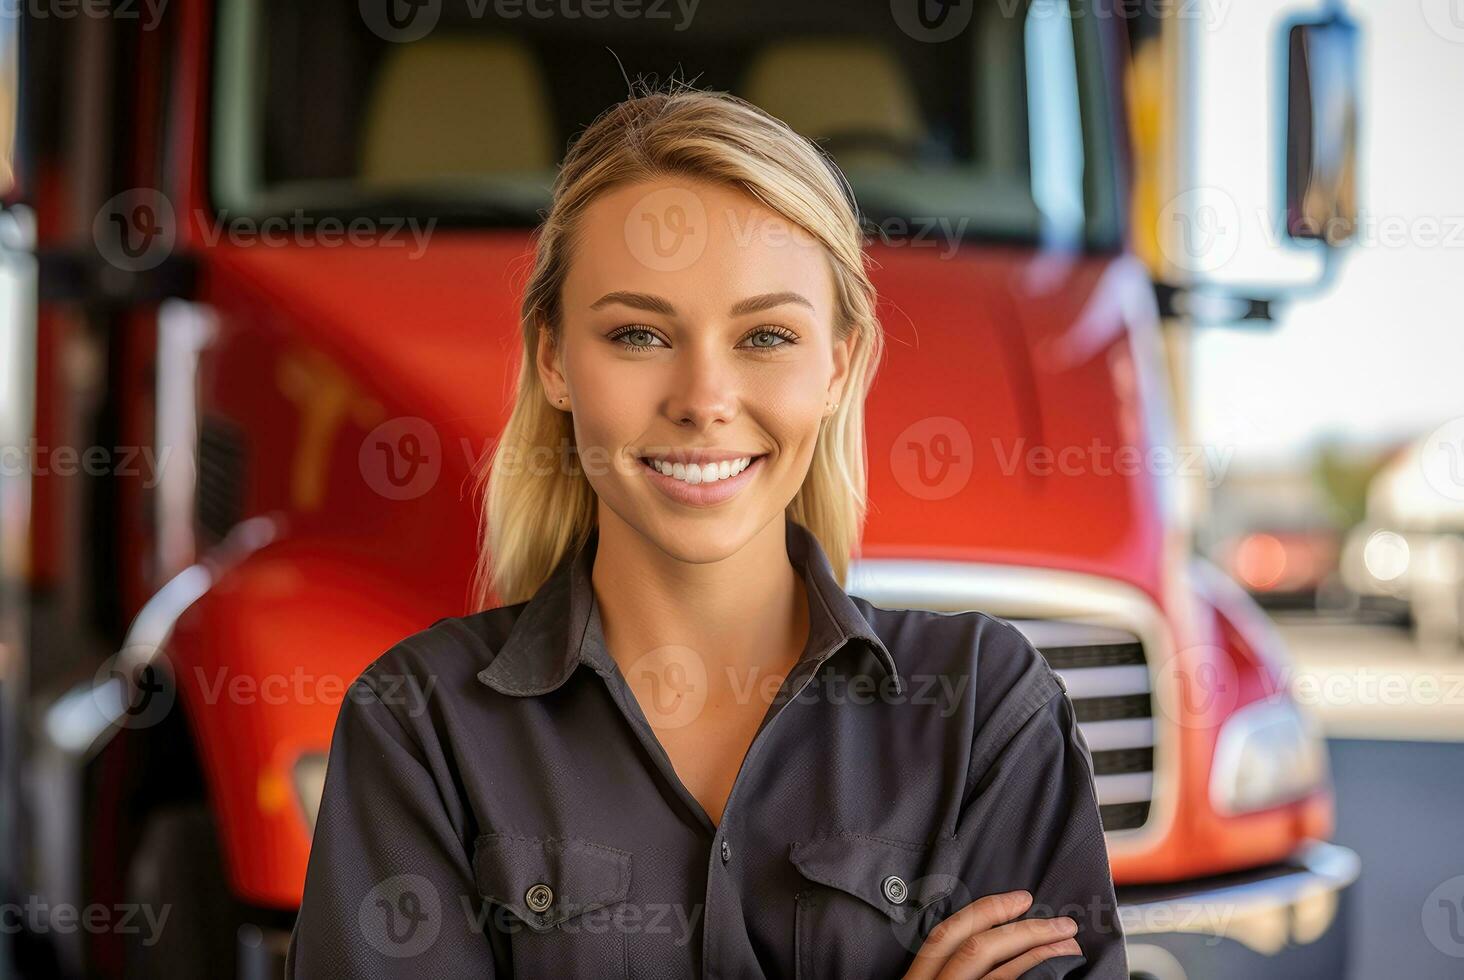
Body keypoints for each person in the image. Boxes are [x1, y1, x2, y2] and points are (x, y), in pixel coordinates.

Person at [286, 81, 1127, 978]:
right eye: (640, 335)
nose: (703, 403)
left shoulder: (987, 712)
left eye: (766, 337)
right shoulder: (419, 728)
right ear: (553, 359)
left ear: (840, 368)